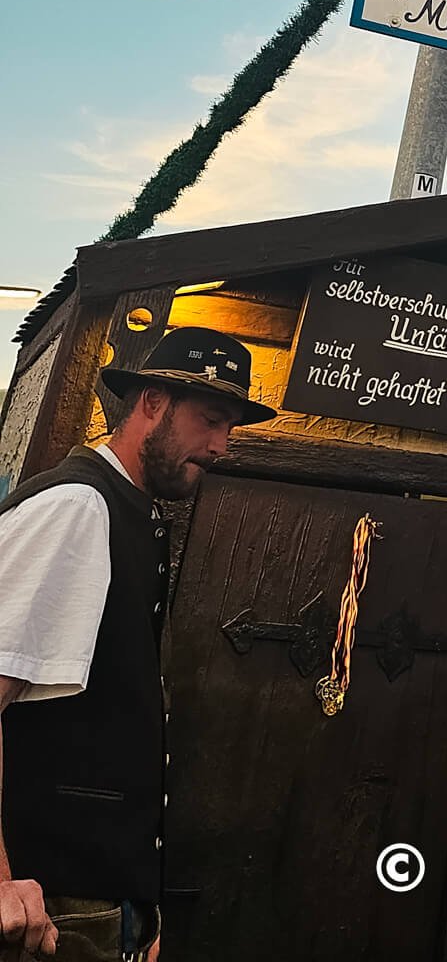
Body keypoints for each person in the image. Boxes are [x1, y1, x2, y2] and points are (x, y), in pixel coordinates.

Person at [0, 328, 275, 960]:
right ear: (151, 401)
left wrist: (138, 907)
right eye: (210, 420)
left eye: (230, 428)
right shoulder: (76, 506)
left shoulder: (131, 512)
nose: (220, 446)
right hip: (46, 908)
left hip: (96, 902)